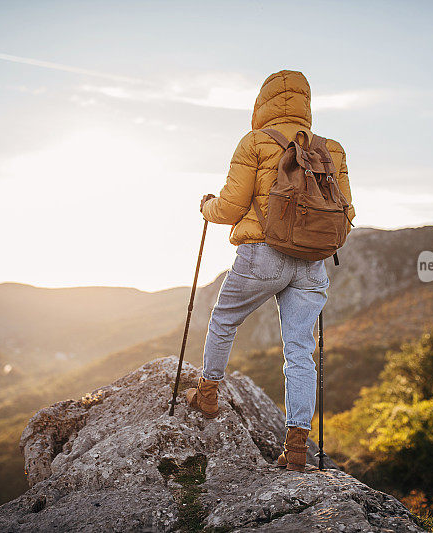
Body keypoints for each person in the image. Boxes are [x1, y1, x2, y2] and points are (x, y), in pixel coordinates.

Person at [184, 70, 355, 472]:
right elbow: (347, 213)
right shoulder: (331, 149)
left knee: (224, 319)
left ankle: (207, 394)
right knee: (299, 351)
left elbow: (227, 209)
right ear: (306, 104)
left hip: (263, 253)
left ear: (261, 104)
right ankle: (297, 448)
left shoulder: (256, 142)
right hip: (312, 262)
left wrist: (206, 206)